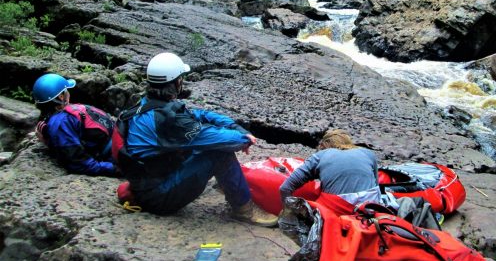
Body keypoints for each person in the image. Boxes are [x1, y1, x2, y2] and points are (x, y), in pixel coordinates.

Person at [117, 52, 277, 226]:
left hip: (147, 185)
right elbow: (231, 141)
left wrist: (235, 127)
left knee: (204, 145)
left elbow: (200, 115)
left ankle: (228, 184)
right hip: (159, 197)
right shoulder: (168, 119)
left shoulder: (145, 106)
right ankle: (245, 210)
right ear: (176, 82)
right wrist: (243, 137)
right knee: (218, 154)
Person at [32, 73, 119, 176]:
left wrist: (50, 142)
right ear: (61, 97)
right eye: (66, 91)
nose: (68, 93)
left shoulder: (60, 120)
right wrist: (116, 169)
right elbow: (80, 163)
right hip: (120, 152)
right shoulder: (63, 122)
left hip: (118, 148)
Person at [279, 129, 381, 215]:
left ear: (324, 145)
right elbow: (376, 188)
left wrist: (288, 213)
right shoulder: (368, 153)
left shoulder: (320, 156)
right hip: (370, 208)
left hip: (337, 210)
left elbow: (285, 188)